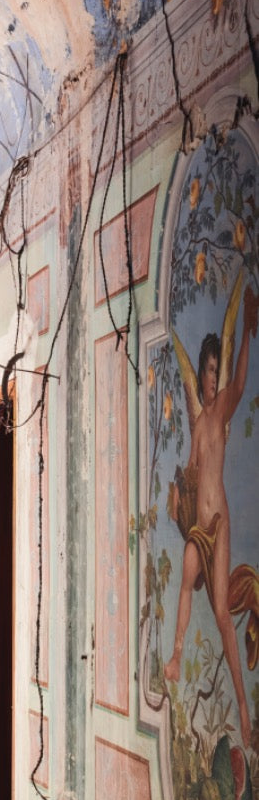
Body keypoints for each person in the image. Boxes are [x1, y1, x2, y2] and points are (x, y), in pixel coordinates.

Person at [164, 268, 259, 749]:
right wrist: (178, 493)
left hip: (217, 525)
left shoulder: (220, 410)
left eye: (216, 371)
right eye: (209, 370)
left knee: (222, 614)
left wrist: (245, 332)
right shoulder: (199, 422)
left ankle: (242, 707)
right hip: (198, 529)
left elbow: (241, 382)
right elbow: (190, 471)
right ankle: (176, 654)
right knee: (185, 571)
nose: (213, 378)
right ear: (200, 373)